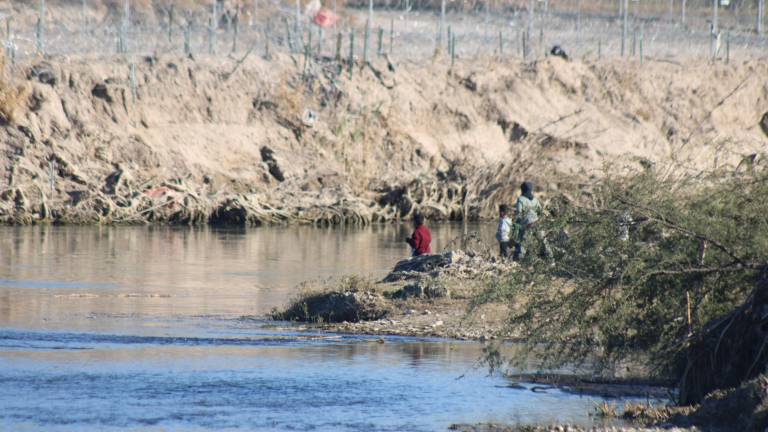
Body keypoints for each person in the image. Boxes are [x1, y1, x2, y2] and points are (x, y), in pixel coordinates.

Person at [513, 181, 543, 261]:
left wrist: (516, 228)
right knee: (543, 243)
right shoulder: (535, 200)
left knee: (523, 246)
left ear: (522, 190)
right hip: (537, 224)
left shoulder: (521, 199)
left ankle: (518, 263)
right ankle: (551, 261)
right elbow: (540, 211)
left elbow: (518, 214)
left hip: (528, 226)